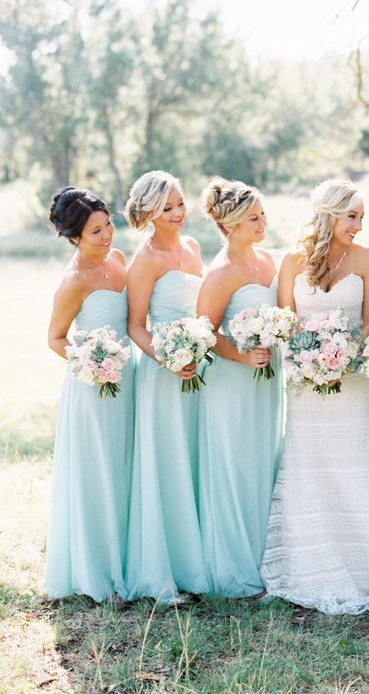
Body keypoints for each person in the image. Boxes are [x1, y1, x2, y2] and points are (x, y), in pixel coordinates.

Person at [260, 178, 369, 614]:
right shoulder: (292, 261)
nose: (359, 225)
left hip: (352, 382)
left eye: (362, 217)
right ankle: (310, 563)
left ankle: (368, 565)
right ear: (329, 214)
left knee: (355, 464)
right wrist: (309, 359)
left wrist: (344, 356)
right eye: (352, 216)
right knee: (310, 466)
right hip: (306, 387)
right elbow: (285, 323)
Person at [45, 187, 132, 602]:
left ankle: (129, 559)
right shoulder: (73, 282)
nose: (107, 235)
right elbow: (56, 338)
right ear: (75, 236)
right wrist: (92, 362)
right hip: (94, 386)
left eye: (108, 224)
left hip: (129, 382)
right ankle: (97, 572)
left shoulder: (118, 261)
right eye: (96, 231)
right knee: (98, 472)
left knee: (125, 469)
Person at [124, 170, 207, 603]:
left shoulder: (192, 248)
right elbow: (136, 327)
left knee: (192, 458)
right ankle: (162, 572)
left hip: (199, 368)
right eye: (168, 207)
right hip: (163, 372)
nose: (179, 213)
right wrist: (169, 359)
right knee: (166, 461)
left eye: (180, 203)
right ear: (150, 212)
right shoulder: (145, 259)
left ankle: (196, 560)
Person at [197, 177, 281, 597]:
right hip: (233, 381)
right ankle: (232, 568)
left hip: (265, 381)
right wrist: (243, 356)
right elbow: (205, 333)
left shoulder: (267, 260)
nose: (262, 222)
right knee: (233, 465)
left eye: (263, 213)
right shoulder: (220, 272)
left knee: (260, 461)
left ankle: (265, 557)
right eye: (253, 217)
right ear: (230, 225)